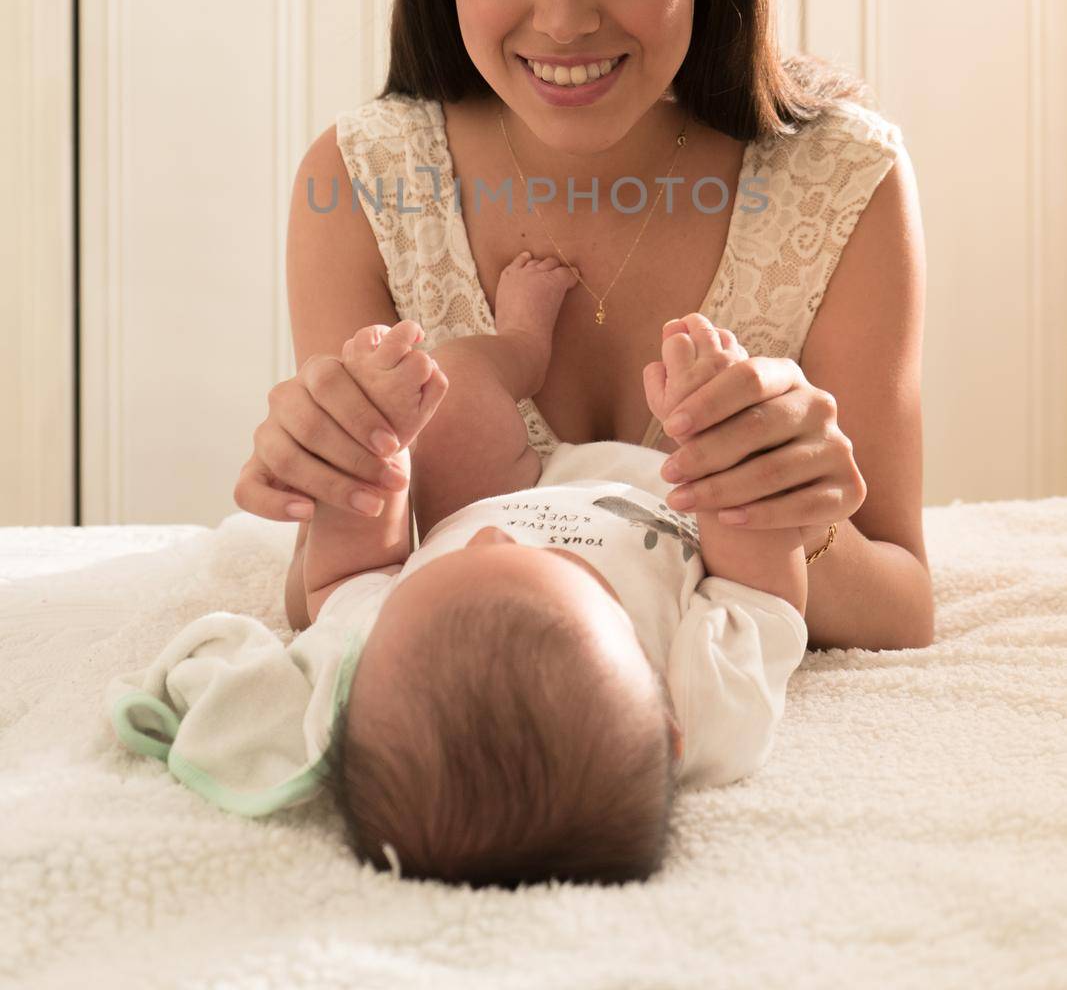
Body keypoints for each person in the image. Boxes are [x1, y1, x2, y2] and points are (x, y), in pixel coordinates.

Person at [234, 0, 932, 683]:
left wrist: (785, 513)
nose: (561, 18)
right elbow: (332, 595)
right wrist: (340, 475)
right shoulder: (360, 183)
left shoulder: (843, 183)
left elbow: (901, 602)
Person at [106, 269, 809, 890]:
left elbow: (352, 575)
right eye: (558, 571)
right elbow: (761, 598)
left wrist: (374, 461)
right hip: (658, 491)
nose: (497, 539)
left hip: (486, 485)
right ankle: (608, 377)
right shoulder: (709, 707)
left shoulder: (369, 662)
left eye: (451, 565)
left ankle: (520, 344)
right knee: (729, 460)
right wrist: (718, 433)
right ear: (667, 731)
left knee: (455, 382)